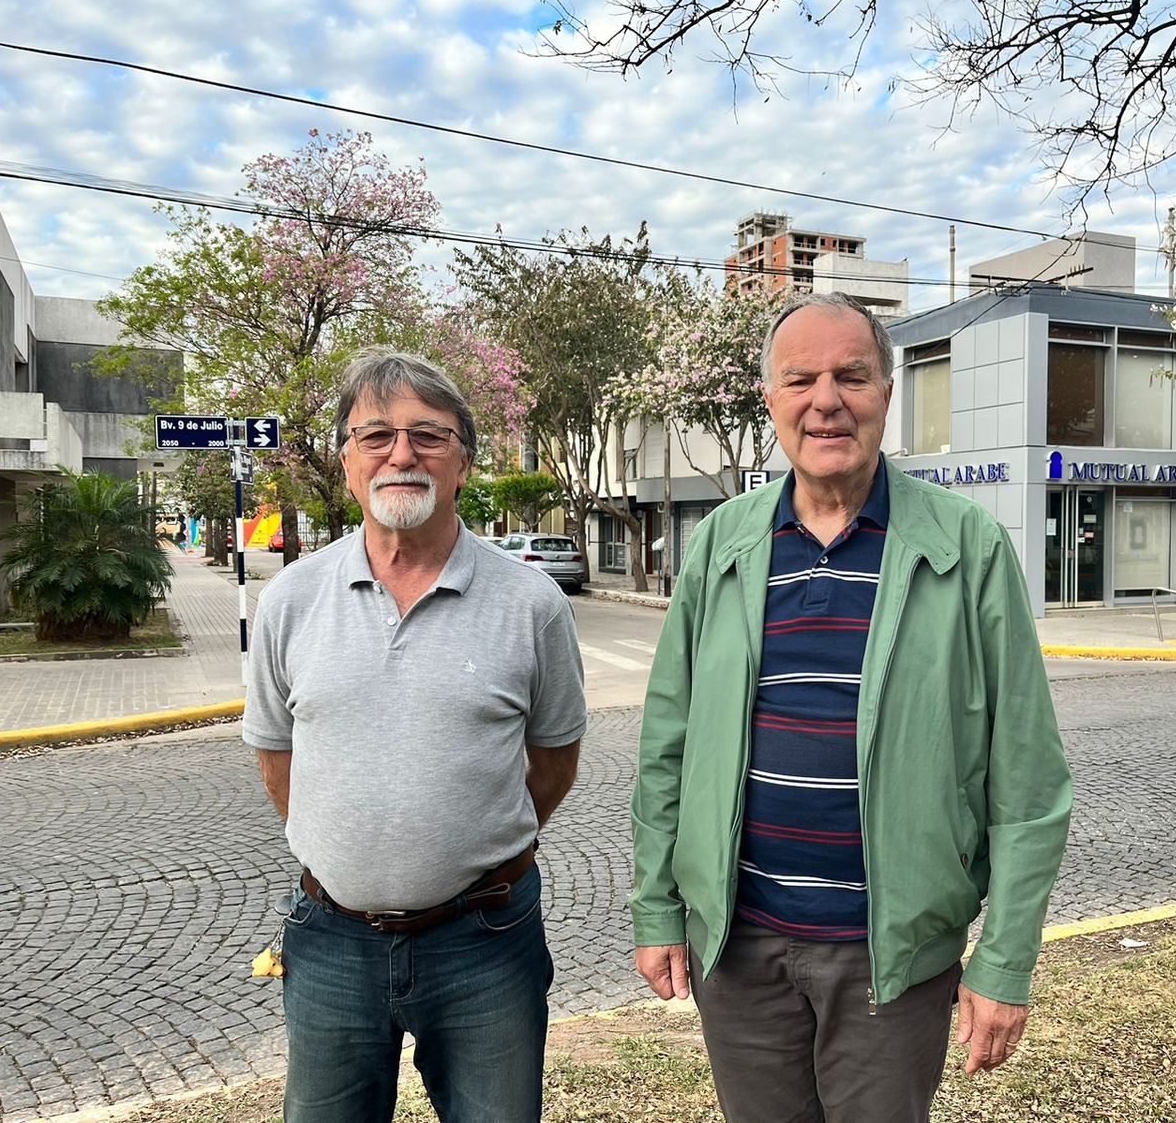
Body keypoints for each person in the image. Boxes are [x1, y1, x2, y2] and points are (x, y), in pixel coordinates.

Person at [631, 293, 1072, 1122]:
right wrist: (658, 907)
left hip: (893, 963)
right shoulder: (721, 548)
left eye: (852, 376)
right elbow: (667, 746)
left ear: (886, 393)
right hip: (740, 952)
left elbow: (1030, 783)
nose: (826, 399)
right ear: (770, 399)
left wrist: (1004, 962)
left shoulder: (967, 548)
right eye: (801, 379)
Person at [243, 349, 587, 1123]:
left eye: (428, 436)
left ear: (464, 461)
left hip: (487, 942)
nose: (403, 454)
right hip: (329, 941)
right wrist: (349, 848)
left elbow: (554, 760)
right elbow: (277, 758)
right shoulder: (290, 601)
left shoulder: (532, 604)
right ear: (347, 464)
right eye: (377, 436)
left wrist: (468, 846)